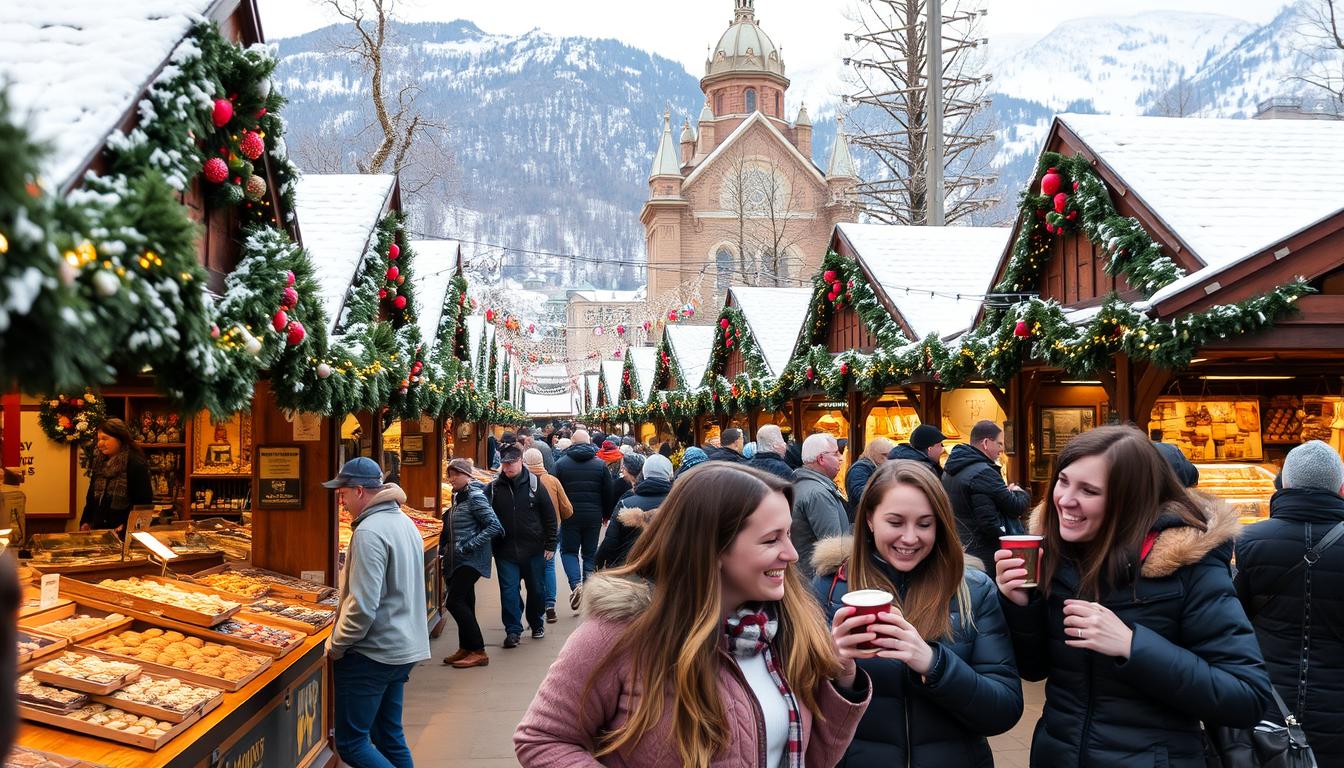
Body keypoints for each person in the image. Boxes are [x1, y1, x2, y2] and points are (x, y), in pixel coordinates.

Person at [515, 462, 873, 766]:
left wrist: (842, 678)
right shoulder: (620, 632)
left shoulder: (788, 628)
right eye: (771, 540)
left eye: (789, 535)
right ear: (712, 547)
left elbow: (814, 758)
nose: (792, 554)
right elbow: (542, 738)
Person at [994, 425, 1272, 766]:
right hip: (1059, 754)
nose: (1065, 500)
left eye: (1089, 490)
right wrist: (1022, 604)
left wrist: (1131, 645)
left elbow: (1246, 696)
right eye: (1063, 481)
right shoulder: (1057, 557)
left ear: (1129, 501)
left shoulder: (1190, 570)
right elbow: (1035, 670)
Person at [812, 460, 1023, 765]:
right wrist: (842, 676)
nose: (910, 538)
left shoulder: (973, 590)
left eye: (925, 524)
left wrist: (932, 663)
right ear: (870, 519)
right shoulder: (829, 590)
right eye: (895, 522)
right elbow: (803, 715)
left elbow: (1003, 711)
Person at [1235, 440, 1344, 764]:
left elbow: (1234, 624)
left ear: (1283, 484)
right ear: (1340, 487)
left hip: (1269, 707)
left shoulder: (1248, 541)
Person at [324, 457, 430, 768]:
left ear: (359, 491)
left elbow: (363, 606)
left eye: (343, 495)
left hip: (372, 652)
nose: (342, 504)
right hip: (402, 646)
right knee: (388, 735)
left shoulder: (369, 531)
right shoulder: (403, 521)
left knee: (352, 744)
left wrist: (338, 644)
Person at [488, 443, 558, 649]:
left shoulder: (536, 485)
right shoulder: (493, 488)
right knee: (508, 591)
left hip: (534, 549)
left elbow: (549, 517)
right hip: (505, 550)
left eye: (512, 463)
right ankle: (513, 630)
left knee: (537, 590)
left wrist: (551, 544)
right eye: (505, 463)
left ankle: (536, 622)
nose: (508, 467)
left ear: (521, 461)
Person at [441, 458, 503, 669]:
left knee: (453, 601)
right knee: (466, 602)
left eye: (456, 474)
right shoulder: (459, 497)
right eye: (450, 474)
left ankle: (478, 650)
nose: (452, 479)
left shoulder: (475, 497)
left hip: (471, 559)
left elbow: (495, 526)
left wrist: (468, 545)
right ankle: (465, 647)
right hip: (458, 559)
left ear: (467, 475)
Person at [943, 420, 1029, 567]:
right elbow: (1014, 507)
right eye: (1000, 443)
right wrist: (1019, 492)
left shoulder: (950, 469)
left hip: (960, 545)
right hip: (983, 551)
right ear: (986, 443)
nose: (1002, 449)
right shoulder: (984, 472)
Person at [554, 430, 612, 611]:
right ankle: (587, 586)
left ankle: (575, 584)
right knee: (589, 552)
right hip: (593, 515)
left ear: (572, 443)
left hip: (569, 516)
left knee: (569, 551)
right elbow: (608, 492)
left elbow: (555, 491)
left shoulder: (561, 464)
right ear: (589, 442)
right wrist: (606, 514)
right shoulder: (600, 465)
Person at [595, 454, 672, 569]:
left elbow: (611, 542)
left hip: (630, 570)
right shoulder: (680, 503)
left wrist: (597, 563)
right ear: (670, 475)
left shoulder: (626, 504)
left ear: (644, 473)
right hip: (667, 570)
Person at [792, 433, 850, 579]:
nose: (841, 458)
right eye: (836, 453)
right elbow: (834, 549)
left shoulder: (803, 484)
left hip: (806, 575)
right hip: (817, 580)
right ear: (821, 459)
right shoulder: (819, 493)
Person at [525, 448, 572, 624]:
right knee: (549, 566)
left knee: (533, 569)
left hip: (529, 532)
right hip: (552, 530)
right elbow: (567, 508)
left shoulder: (522, 482)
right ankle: (550, 606)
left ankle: (536, 608)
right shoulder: (553, 481)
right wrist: (559, 519)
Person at [80, 418, 153, 533]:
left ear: (120, 439)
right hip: (98, 531)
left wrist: (126, 526)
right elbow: (90, 500)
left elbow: (143, 503)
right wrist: (86, 521)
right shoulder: (99, 463)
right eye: (98, 439)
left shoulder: (135, 464)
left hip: (123, 532)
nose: (100, 443)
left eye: (105, 439)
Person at [845, 437, 894, 521]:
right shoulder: (860, 468)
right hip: (862, 519)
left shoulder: (875, 467)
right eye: (884, 455)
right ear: (874, 453)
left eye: (889, 456)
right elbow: (860, 494)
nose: (887, 459)